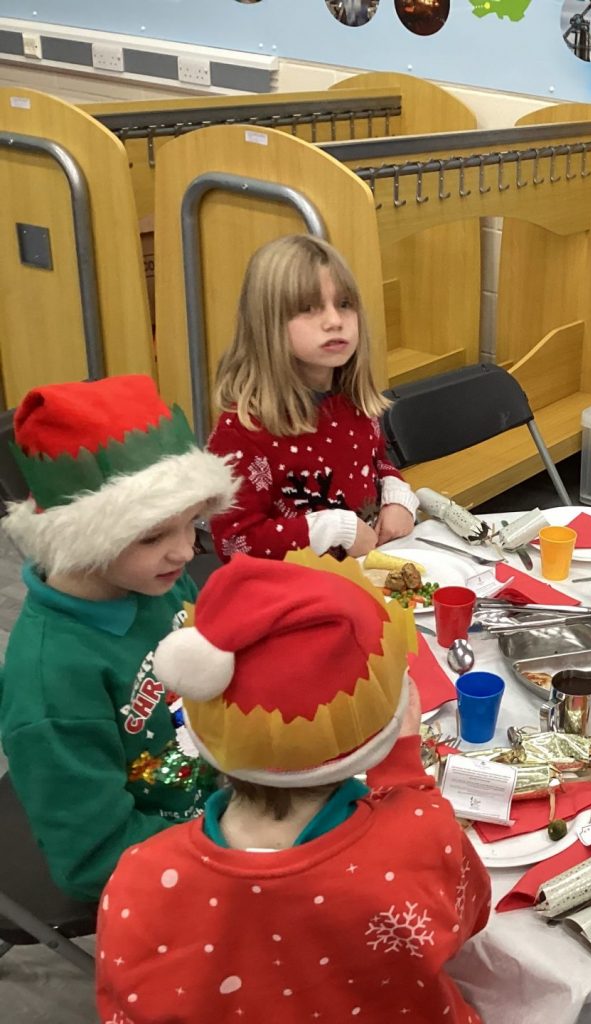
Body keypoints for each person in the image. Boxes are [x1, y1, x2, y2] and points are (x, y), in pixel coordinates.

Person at [96, 551, 492, 1022]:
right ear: (389, 717)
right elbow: (470, 918)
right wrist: (405, 773)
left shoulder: (140, 877)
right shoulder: (419, 837)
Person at [0, 375, 237, 900]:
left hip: (221, 797)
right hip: (172, 866)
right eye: (153, 536)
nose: (185, 551)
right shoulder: (50, 682)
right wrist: (238, 845)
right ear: (85, 538)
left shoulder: (153, 581)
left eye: (191, 524)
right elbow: (94, 857)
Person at [208, 234, 418, 561]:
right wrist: (332, 529)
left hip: (369, 573)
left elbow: (377, 462)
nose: (334, 321)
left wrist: (396, 496)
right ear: (267, 324)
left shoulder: (350, 401)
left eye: (344, 304)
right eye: (308, 308)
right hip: (296, 588)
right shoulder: (241, 432)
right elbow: (235, 544)